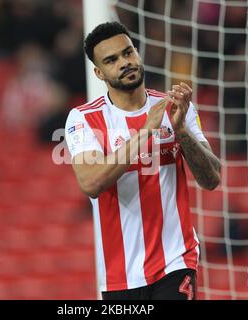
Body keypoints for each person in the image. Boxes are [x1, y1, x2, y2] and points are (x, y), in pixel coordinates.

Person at [65, 22, 221, 300]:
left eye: (128, 53)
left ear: (137, 53)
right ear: (99, 72)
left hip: (176, 260)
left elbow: (211, 179)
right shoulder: (83, 118)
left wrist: (181, 130)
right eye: (112, 60)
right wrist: (146, 131)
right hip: (119, 275)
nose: (124, 63)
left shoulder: (176, 109)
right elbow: (90, 183)